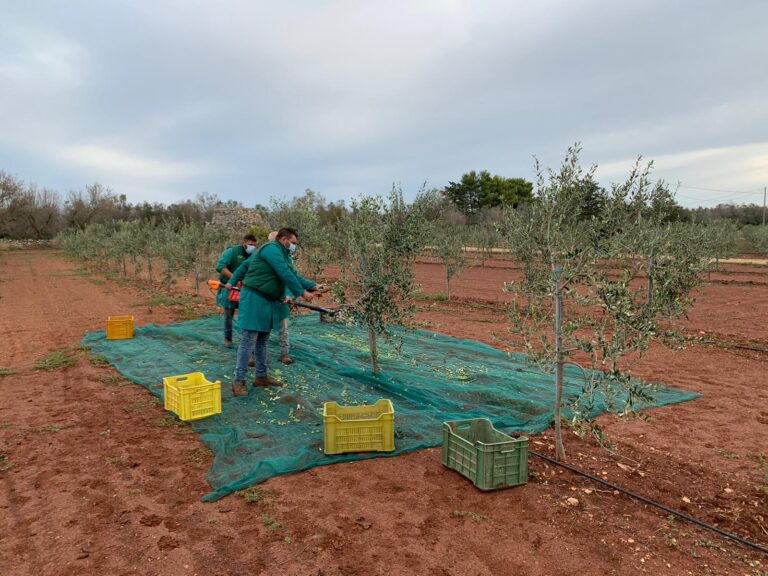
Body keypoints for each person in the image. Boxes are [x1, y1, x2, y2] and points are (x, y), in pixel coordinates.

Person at [226, 228, 317, 396]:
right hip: (255, 299)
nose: (294, 247)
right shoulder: (271, 249)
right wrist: (302, 293)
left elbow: (292, 275)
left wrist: (313, 286)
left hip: (267, 301)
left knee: (263, 340)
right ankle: (238, 380)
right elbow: (283, 273)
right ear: (284, 240)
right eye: (294, 243)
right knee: (248, 340)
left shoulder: (284, 255)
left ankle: (261, 376)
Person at [215, 233, 259, 347]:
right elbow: (220, 267)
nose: (252, 247)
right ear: (244, 243)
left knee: (246, 314)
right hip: (229, 287)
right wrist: (234, 278)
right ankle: (228, 338)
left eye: (254, 245)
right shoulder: (231, 252)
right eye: (250, 244)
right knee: (229, 314)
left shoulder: (254, 254)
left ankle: (246, 339)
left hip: (245, 289)